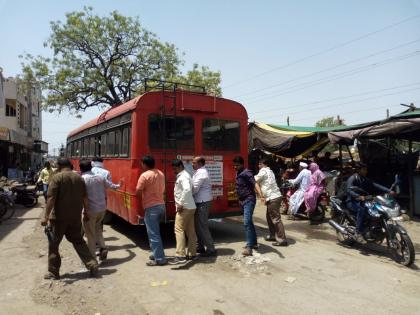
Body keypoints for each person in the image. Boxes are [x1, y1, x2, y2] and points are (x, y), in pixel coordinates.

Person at [41, 158, 98, 280]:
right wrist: (86, 213)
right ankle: (92, 264)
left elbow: (51, 198)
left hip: (59, 218)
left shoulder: (57, 178)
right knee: (78, 241)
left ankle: (53, 271)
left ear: (59, 166)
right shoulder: (79, 178)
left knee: (54, 244)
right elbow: (85, 198)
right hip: (75, 217)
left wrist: (46, 217)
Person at [80, 159, 120, 261]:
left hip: (90, 211)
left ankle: (92, 258)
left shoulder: (82, 179)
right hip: (102, 209)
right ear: (90, 167)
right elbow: (113, 186)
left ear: (81, 169)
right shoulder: (100, 177)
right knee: (98, 230)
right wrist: (120, 184)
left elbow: (81, 197)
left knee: (90, 235)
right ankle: (103, 248)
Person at [346, 163, 394, 243]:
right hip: (352, 201)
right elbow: (349, 190)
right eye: (364, 169)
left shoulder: (364, 178)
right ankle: (358, 232)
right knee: (362, 209)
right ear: (358, 170)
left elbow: (375, 185)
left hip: (364, 200)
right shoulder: (352, 178)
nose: (366, 171)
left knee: (376, 209)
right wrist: (358, 196)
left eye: (366, 169)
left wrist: (388, 191)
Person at [135, 156, 167, 266]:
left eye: (142, 163)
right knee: (154, 232)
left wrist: (142, 200)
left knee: (153, 233)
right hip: (161, 205)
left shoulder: (144, 175)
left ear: (144, 164)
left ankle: (160, 259)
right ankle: (155, 253)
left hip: (151, 207)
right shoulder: (161, 173)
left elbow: (138, 191)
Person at [254, 158, 288, 246]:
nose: (258, 166)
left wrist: (260, 195)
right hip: (275, 196)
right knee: (269, 217)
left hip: (273, 197)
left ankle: (281, 240)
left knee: (276, 219)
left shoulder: (263, 171)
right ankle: (273, 235)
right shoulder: (270, 171)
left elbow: (255, 181)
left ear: (263, 164)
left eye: (260, 164)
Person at [171, 159, 197, 264]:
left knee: (179, 229)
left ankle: (180, 255)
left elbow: (187, 189)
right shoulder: (186, 175)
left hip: (184, 207)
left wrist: (180, 203)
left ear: (180, 167)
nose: (174, 171)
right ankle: (192, 253)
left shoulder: (183, 177)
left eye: (175, 168)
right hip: (190, 206)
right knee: (190, 231)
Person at [192, 156, 217, 257]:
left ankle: (211, 248)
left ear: (200, 164)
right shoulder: (199, 172)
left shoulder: (201, 173)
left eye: (194, 162)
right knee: (198, 226)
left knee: (202, 226)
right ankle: (200, 246)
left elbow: (194, 189)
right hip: (200, 201)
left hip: (202, 202)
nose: (192, 164)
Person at [233, 156, 257, 256]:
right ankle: (254, 242)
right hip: (242, 201)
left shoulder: (247, 172)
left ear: (242, 164)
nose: (235, 167)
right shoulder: (238, 173)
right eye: (234, 165)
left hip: (249, 200)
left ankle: (249, 247)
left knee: (246, 222)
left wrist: (261, 195)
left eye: (237, 165)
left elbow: (255, 183)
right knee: (249, 222)